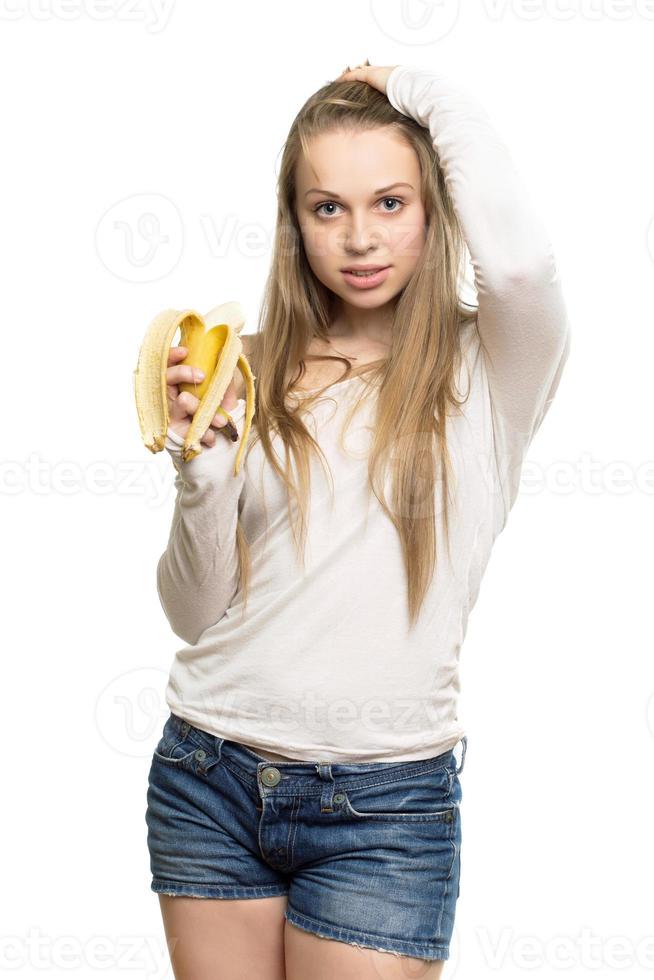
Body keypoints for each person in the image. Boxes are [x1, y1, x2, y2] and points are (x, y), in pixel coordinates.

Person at [145, 60, 571, 979]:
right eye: (327, 208)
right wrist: (204, 471)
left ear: (435, 209)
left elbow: (525, 263)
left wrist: (421, 89)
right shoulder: (243, 367)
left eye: (391, 202)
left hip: (385, 806)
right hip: (208, 774)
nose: (360, 238)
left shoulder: (491, 367)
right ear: (295, 224)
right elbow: (191, 612)